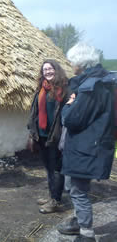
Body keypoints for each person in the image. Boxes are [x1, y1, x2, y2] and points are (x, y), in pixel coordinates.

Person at [57, 43, 115, 242]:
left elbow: (72, 119)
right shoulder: (103, 82)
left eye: (72, 60)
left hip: (86, 148)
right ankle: (79, 220)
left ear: (81, 63)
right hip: (91, 145)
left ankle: (86, 234)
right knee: (74, 187)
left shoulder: (91, 87)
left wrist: (69, 105)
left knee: (78, 190)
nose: (71, 64)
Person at [27, 59, 69, 214]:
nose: (48, 72)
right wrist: (32, 131)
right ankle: (52, 195)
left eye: (50, 69)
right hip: (42, 135)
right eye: (45, 70)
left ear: (56, 70)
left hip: (56, 136)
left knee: (57, 169)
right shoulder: (42, 89)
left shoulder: (64, 89)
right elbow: (34, 111)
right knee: (49, 168)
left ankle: (56, 201)